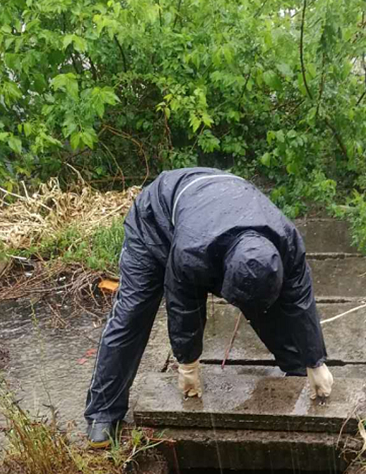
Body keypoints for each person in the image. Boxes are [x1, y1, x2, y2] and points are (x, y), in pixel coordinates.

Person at [85, 167, 334, 447]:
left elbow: (300, 301)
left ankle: (299, 372)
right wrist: (188, 363)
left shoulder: (287, 242)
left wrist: (315, 360)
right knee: (133, 313)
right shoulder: (191, 254)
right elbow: (183, 306)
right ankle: (103, 412)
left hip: (217, 207)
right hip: (156, 221)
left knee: (267, 308)